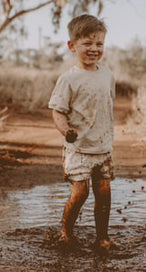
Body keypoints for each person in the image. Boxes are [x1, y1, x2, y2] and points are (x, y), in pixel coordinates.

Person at [48, 14, 116, 251]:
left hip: (103, 147)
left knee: (104, 193)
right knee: (81, 192)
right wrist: (66, 130)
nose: (94, 49)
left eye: (99, 44)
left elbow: (107, 107)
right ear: (72, 46)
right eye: (87, 43)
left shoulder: (107, 76)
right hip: (78, 148)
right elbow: (57, 111)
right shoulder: (68, 79)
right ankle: (65, 233)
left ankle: (103, 238)